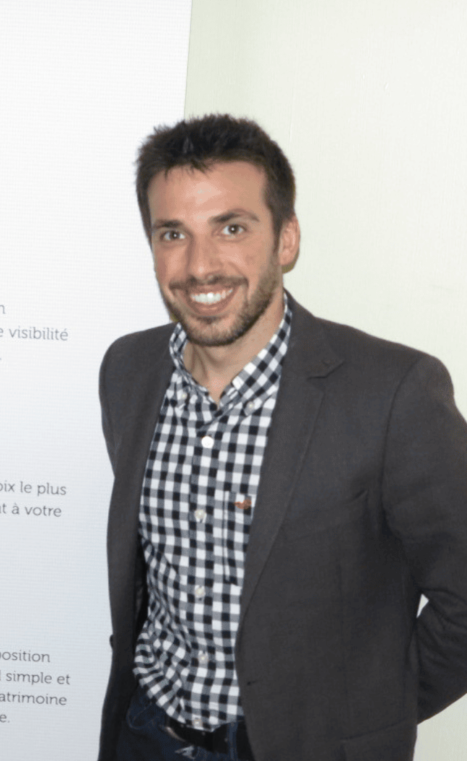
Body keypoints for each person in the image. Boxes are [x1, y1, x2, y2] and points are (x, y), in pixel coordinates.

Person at [97, 114, 467, 760]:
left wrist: (366, 712)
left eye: (232, 228)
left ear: (286, 240)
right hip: (145, 735)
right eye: (173, 233)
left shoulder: (393, 392)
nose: (200, 265)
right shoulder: (128, 371)